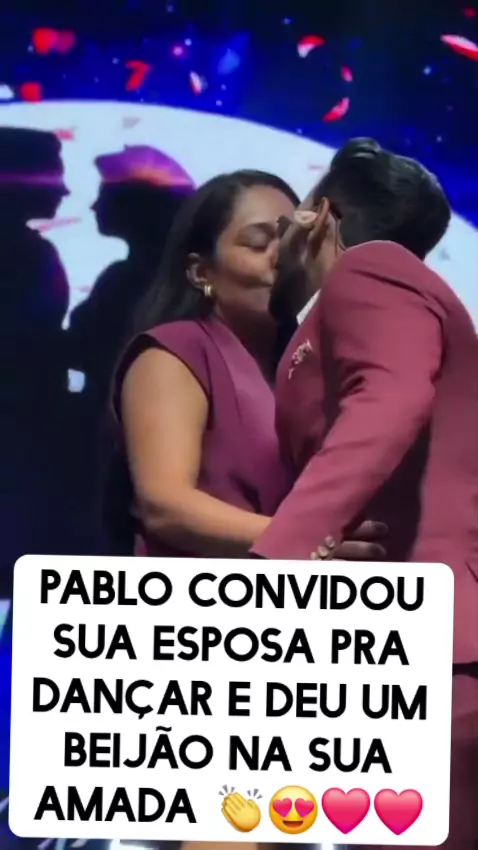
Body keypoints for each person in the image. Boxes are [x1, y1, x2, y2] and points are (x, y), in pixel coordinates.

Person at [251, 138, 478, 850]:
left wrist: (278, 560)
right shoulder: (358, 303)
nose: (281, 236)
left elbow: (391, 398)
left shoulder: (371, 269)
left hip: (430, 649)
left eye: (290, 215)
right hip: (397, 644)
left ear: (322, 214)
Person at [106, 168, 387, 567]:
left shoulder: (312, 362)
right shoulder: (174, 352)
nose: (282, 256)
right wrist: (304, 539)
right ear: (201, 272)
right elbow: (165, 505)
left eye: (293, 239)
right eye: (258, 244)